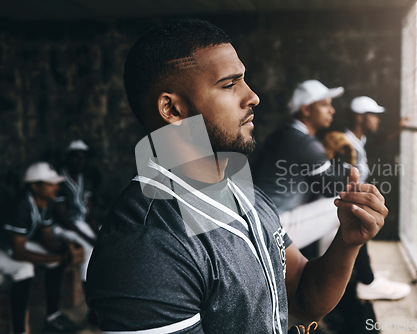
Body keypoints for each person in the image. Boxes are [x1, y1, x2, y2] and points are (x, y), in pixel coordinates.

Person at [86, 18, 388, 334]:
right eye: (230, 84)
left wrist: (347, 242)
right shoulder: (146, 245)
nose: (253, 97)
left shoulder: (244, 190)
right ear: (172, 110)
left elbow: (303, 297)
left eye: (244, 80)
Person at [323, 96, 410, 301]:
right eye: (374, 116)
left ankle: (367, 277)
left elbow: (376, 140)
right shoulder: (344, 144)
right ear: (361, 118)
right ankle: (368, 282)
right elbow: (336, 182)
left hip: (347, 199)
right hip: (336, 201)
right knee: (360, 224)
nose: (378, 120)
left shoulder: (357, 139)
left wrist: (397, 129)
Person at [253, 79, 356, 253]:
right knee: (348, 205)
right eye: (324, 105)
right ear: (306, 110)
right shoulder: (306, 143)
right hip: (274, 229)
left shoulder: (285, 132)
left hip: (259, 220)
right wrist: (346, 162)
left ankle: (321, 268)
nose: (332, 110)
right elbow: (331, 188)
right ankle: (329, 276)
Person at [0, 162, 84, 334]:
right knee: (25, 269)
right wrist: (58, 258)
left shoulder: (46, 202)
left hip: (17, 244)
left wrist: (65, 250)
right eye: (51, 183)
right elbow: (19, 252)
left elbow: (47, 238)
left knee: (54, 262)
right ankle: (20, 331)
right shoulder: (21, 205)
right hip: (4, 247)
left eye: (56, 183)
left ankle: (52, 317)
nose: (56, 186)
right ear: (35, 186)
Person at [53, 140, 98, 287]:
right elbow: (64, 219)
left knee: (109, 236)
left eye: (83, 158)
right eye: (76, 157)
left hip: (81, 223)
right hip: (64, 227)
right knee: (89, 250)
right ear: (68, 158)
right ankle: (88, 292)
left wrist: (98, 235)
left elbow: (90, 213)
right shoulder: (58, 180)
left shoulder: (84, 178)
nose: (80, 161)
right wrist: (90, 239)